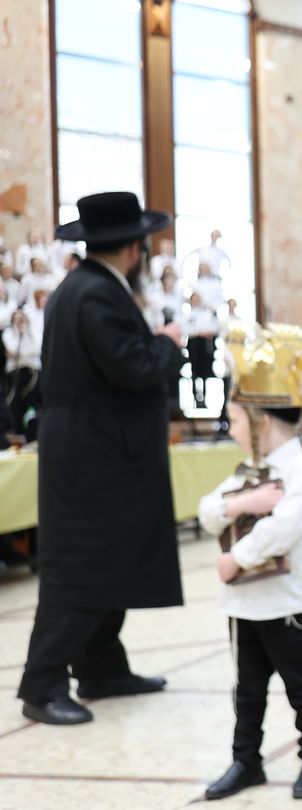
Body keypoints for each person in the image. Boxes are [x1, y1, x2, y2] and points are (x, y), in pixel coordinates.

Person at [16, 192, 184, 726]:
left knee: (110, 560)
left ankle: (102, 668)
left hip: (96, 450)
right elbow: (131, 366)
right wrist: (167, 343)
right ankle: (41, 686)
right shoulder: (95, 294)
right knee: (82, 569)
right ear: (135, 248)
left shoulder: (84, 286)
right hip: (96, 456)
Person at [198, 319, 302, 801]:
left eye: (235, 421)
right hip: (243, 606)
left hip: (285, 601)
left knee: (301, 684)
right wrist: (238, 505)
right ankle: (245, 760)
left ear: (263, 422)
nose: (230, 430)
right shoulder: (248, 471)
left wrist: (236, 558)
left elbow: (287, 527)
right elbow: (208, 511)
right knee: (247, 689)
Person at [3, 306, 43, 442]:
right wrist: (23, 352)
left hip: (32, 373)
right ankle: (17, 433)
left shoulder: (33, 331)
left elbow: (37, 348)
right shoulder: (8, 333)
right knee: (15, 403)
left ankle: (32, 435)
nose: (20, 322)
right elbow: (13, 350)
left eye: (22, 319)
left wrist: (22, 353)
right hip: (15, 373)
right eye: (17, 319)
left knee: (32, 404)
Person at [185, 290, 219, 408]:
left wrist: (204, 332)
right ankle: (195, 395)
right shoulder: (189, 315)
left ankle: (204, 395)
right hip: (194, 343)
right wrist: (199, 332)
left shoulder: (206, 314)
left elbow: (213, 328)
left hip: (204, 344)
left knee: (204, 370)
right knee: (194, 371)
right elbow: (188, 329)